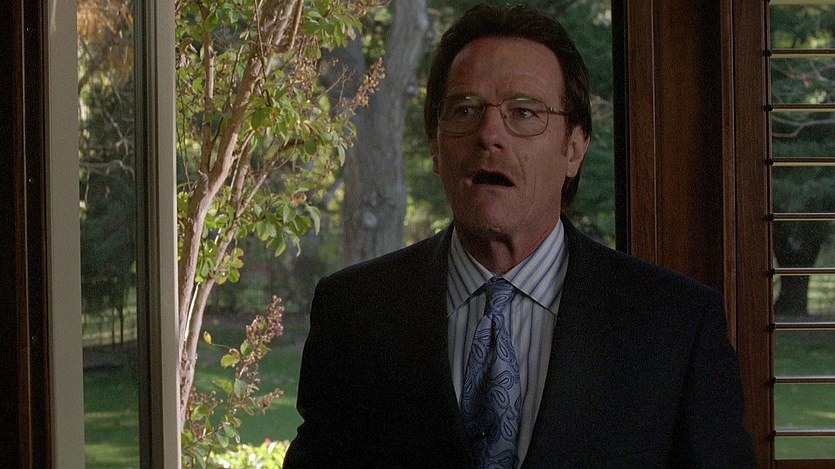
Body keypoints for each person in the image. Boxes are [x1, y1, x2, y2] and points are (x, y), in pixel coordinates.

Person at [284, 4, 755, 468]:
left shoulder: (676, 324)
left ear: (574, 149)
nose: (489, 134)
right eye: (465, 110)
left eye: (524, 113)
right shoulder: (354, 313)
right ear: (435, 146)